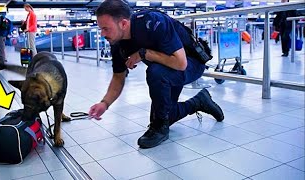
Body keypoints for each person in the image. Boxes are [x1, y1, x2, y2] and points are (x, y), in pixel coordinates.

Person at [89, 0, 224, 149]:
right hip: (167, 68)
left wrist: (144, 53)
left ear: (124, 24)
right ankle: (199, 101)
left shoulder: (152, 23)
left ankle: (160, 128)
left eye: (106, 29)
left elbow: (181, 63)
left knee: (156, 74)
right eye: (101, 29)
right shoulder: (117, 42)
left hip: (191, 63)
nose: (102, 34)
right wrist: (104, 103)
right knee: (166, 114)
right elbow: (118, 77)